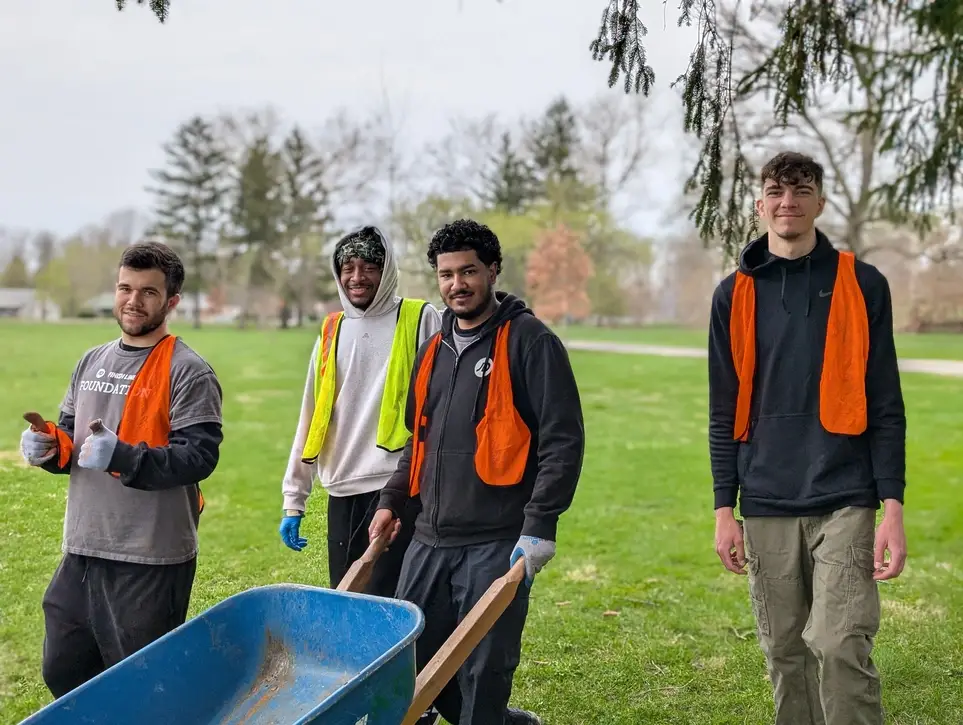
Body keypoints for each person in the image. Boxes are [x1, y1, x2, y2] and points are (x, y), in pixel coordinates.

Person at [708, 151, 907, 725]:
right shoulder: (733, 294)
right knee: (784, 651)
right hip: (766, 497)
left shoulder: (863, 284)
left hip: (845, 493)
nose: (787, 201)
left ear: (820, 201)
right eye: (776, 190)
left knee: (841, 644)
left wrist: (891, 508)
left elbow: (887, 405)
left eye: (800, 190)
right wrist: (726, 509)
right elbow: (723, 412)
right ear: (759, 203)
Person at [368, 218, 585, 725]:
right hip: (428, 540)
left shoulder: (531, 342)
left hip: (496, 542)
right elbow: (415, 445)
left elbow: (563, 442)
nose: (456, 285)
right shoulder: (432, 351)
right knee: (410, 663)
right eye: (445, 275)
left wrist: (540, 527)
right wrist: (390, 502)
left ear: (493, 271)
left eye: (468, 272)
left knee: (483, 671)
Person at [19, 241, 224, 699]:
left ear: (171, 302)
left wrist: (125, 457)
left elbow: (199, 456)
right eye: (125, 288)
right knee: (65, 669)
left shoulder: (189, 371)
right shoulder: (90, 361)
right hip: (84, 546)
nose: (133, 301)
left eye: (148, 292)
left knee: (145, 688)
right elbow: (73, 442)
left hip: (150, 555)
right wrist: (50, 447)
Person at [278, 225, 442, 594]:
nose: (357, 277)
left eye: (369, 266)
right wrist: (294, 498)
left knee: (394, 599)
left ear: (387, 271)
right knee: (347, 595)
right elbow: (312, 413)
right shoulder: (332, 330)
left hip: (398, 487)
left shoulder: (420, 318)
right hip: (341, 488)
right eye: (347, 267)